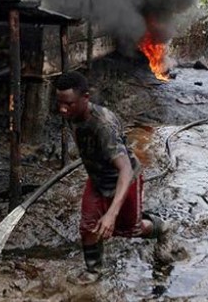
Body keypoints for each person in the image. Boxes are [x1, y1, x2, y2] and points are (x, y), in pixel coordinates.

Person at [54, 71, 170, 284]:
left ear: (85, 97)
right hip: (97, 178)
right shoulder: (71, 114)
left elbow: (125, 169)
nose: (62, 109)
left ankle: (161, 228)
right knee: (88, 226)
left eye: (68, 104)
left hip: (124, 180)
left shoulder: (103, 125)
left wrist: (111, 214)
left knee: (130, 229)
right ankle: (93, 271)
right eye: (59, 103)